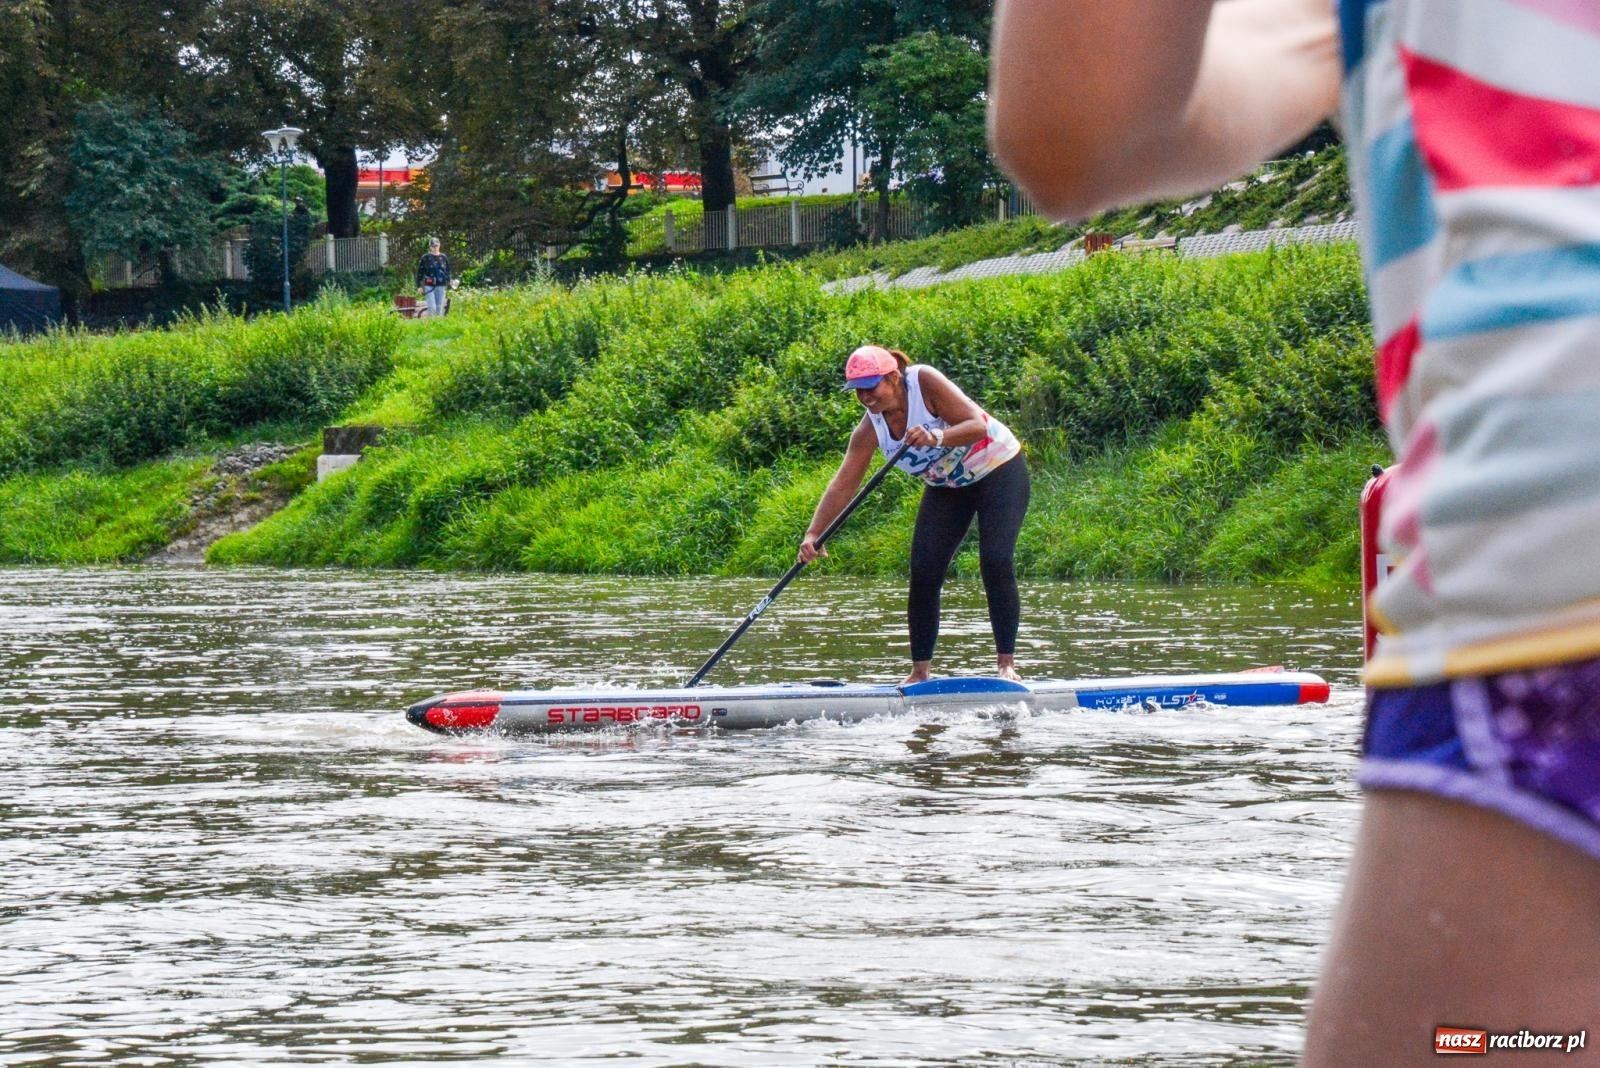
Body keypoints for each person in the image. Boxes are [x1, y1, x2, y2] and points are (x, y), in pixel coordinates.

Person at [989, 1, 1600, 1064]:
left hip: (1556, 525)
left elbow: (1076, 133)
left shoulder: (937, 399)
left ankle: (995, 659)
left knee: (1500, 1045)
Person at [799, 345, 1030, 685]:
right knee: (923, 571)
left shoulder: (923, 381)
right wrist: (813, 533)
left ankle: (1006, 666)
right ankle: (920, 673)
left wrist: (936, 436)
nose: (865, 397)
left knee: (995, 560)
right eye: (858, 391)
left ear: (893, 378)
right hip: (947, 487)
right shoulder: (870, 428)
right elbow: (844, 482)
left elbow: (976, 425)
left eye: (871, 387)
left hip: (998, 469)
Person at [415, 237, 450, 317]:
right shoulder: (425, 258)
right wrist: (419, 286)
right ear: (430, 247)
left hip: (441, 285)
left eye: (436, 246)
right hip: (429, 285)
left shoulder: (443, 257)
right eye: (433, 246)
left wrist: (449, 280)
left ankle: (438, 326)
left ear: (439, 245)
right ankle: (432, 323)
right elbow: (420, 272)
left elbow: (448, 271)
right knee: (432, 307)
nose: (435, 248)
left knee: (439, 307)